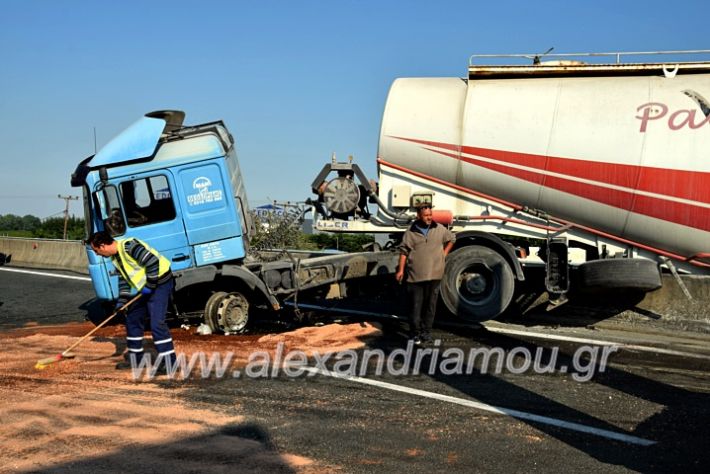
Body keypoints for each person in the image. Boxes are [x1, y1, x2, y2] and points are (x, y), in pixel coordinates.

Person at [87, 231, 176, 371]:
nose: (98, 254)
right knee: (133, 319)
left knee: (157, 323)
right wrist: (121, 303)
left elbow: (153, 262)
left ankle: (170, 363)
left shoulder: (129, 246)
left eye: (96, 251)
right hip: (148, 287)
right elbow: (125, 281)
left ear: (103, 246)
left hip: (160, 284)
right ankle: (136, 361)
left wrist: (150, 286)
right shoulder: (116, 258)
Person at [395, 204, 455, 344]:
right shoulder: (410, 232)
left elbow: (452, 239)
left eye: (430, 215)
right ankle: (414, 333)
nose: (429, 218)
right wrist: (401, 270)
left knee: (430, 306)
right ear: (418, 216)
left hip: (435, 275)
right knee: (415, 307)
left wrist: (444, 254)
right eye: (426, 216)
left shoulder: (439, 229)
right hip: (415, 276)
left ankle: (426, 332)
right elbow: (404, 252)